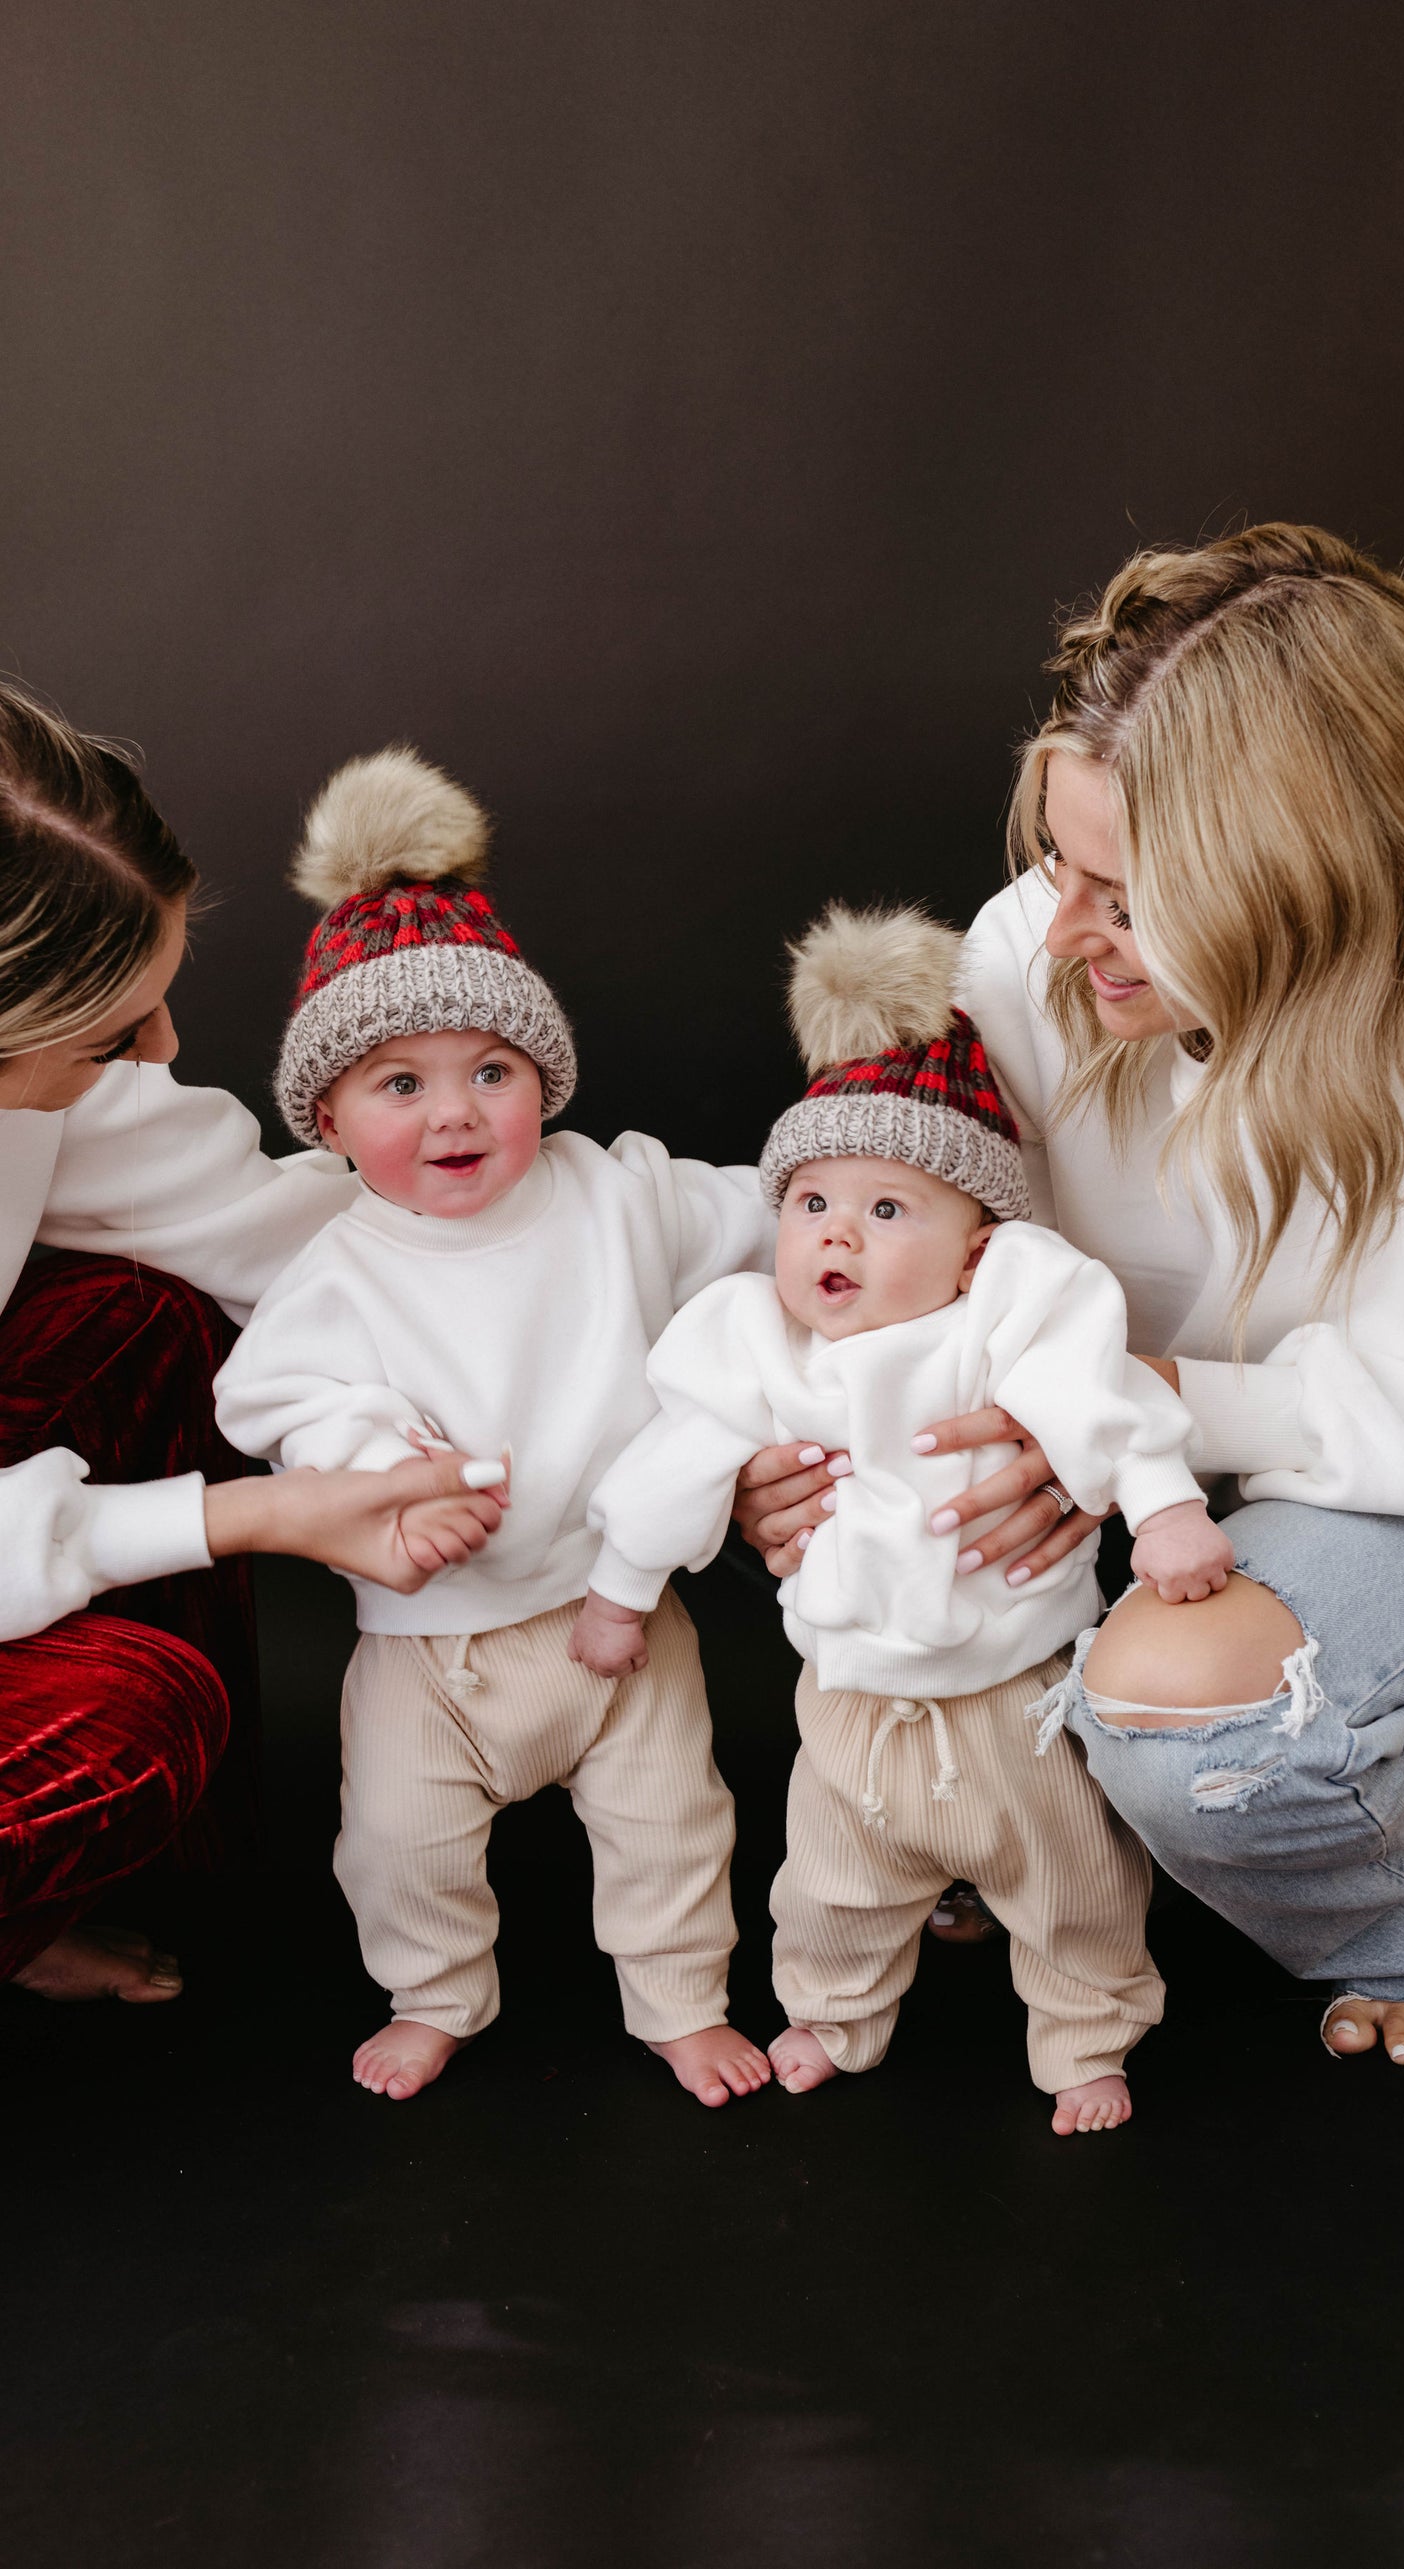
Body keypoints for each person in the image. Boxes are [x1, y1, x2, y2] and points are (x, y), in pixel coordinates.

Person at [735, 523, 1404, 2070]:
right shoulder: (1031, 956)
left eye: (1122, 892)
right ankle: (997, 1816)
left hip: (1401, 1489)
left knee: (1184, 1713)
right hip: (1174, 1488)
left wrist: (1152, 1408)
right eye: (1061, 863)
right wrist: (788, 1443)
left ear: (1296, 884)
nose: (1062, 931)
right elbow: (916, 1262)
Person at [583, 904, 1234, 2132]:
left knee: (1075, 1883)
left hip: (1013, 1693)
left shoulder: (1000, 1315)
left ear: (974, 1245)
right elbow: (675, 1461)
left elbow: (1097, 1405)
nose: (834, 1231)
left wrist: (1160, 1512)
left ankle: (1087, 2037)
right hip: (849, 1699)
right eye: (811, 1202)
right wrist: (621, 1588)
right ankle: (831, 2017)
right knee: (827, 1886)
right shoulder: (752, 1339)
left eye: (888, 1211)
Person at [215, 746, 778, 2107]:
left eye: (490, 1070)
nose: (453, 1110)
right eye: (398, 1086)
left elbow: (768, 1204)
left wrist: (854, 1200)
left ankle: (677, 1996)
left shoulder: (615, 1194)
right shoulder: (338, 1261)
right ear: (332, 1122)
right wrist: (378, 1472)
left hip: (618, 1612)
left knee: (670, 1823)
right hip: (430, 1651)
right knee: (398, 1844)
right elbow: (273, 1397)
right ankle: (435, 1991)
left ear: (545, 1079)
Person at [0, 687, 507, 2010]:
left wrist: (774, 1289)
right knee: (125, 1726)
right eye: (117, 1029)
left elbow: (269, 1226)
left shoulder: (45, 1087)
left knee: (143, 1314)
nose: (161, 1048)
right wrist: (250, 1514)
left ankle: (112, 1879)